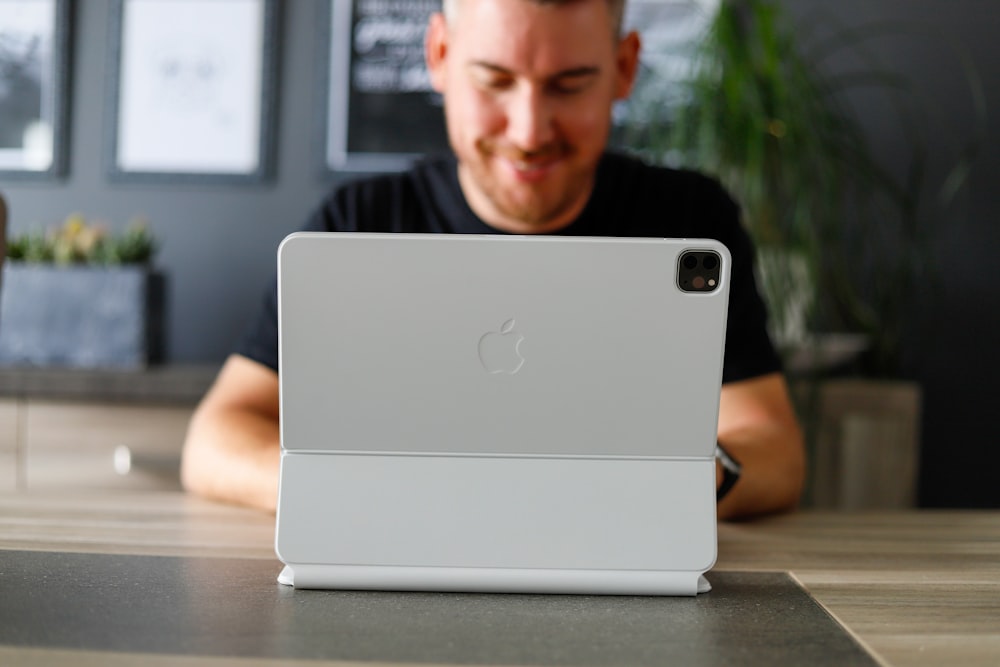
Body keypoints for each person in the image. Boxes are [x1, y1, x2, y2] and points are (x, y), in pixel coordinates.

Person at [181, 0, 805, 520]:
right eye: (494, 80)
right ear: (440, 57)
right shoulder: (358, 223)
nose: (530, 130)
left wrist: (657, 497)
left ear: (624, 67)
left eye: (569, 84)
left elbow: (772, 446)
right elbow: (216, 437)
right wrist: (366, 504)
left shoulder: (690, 221)